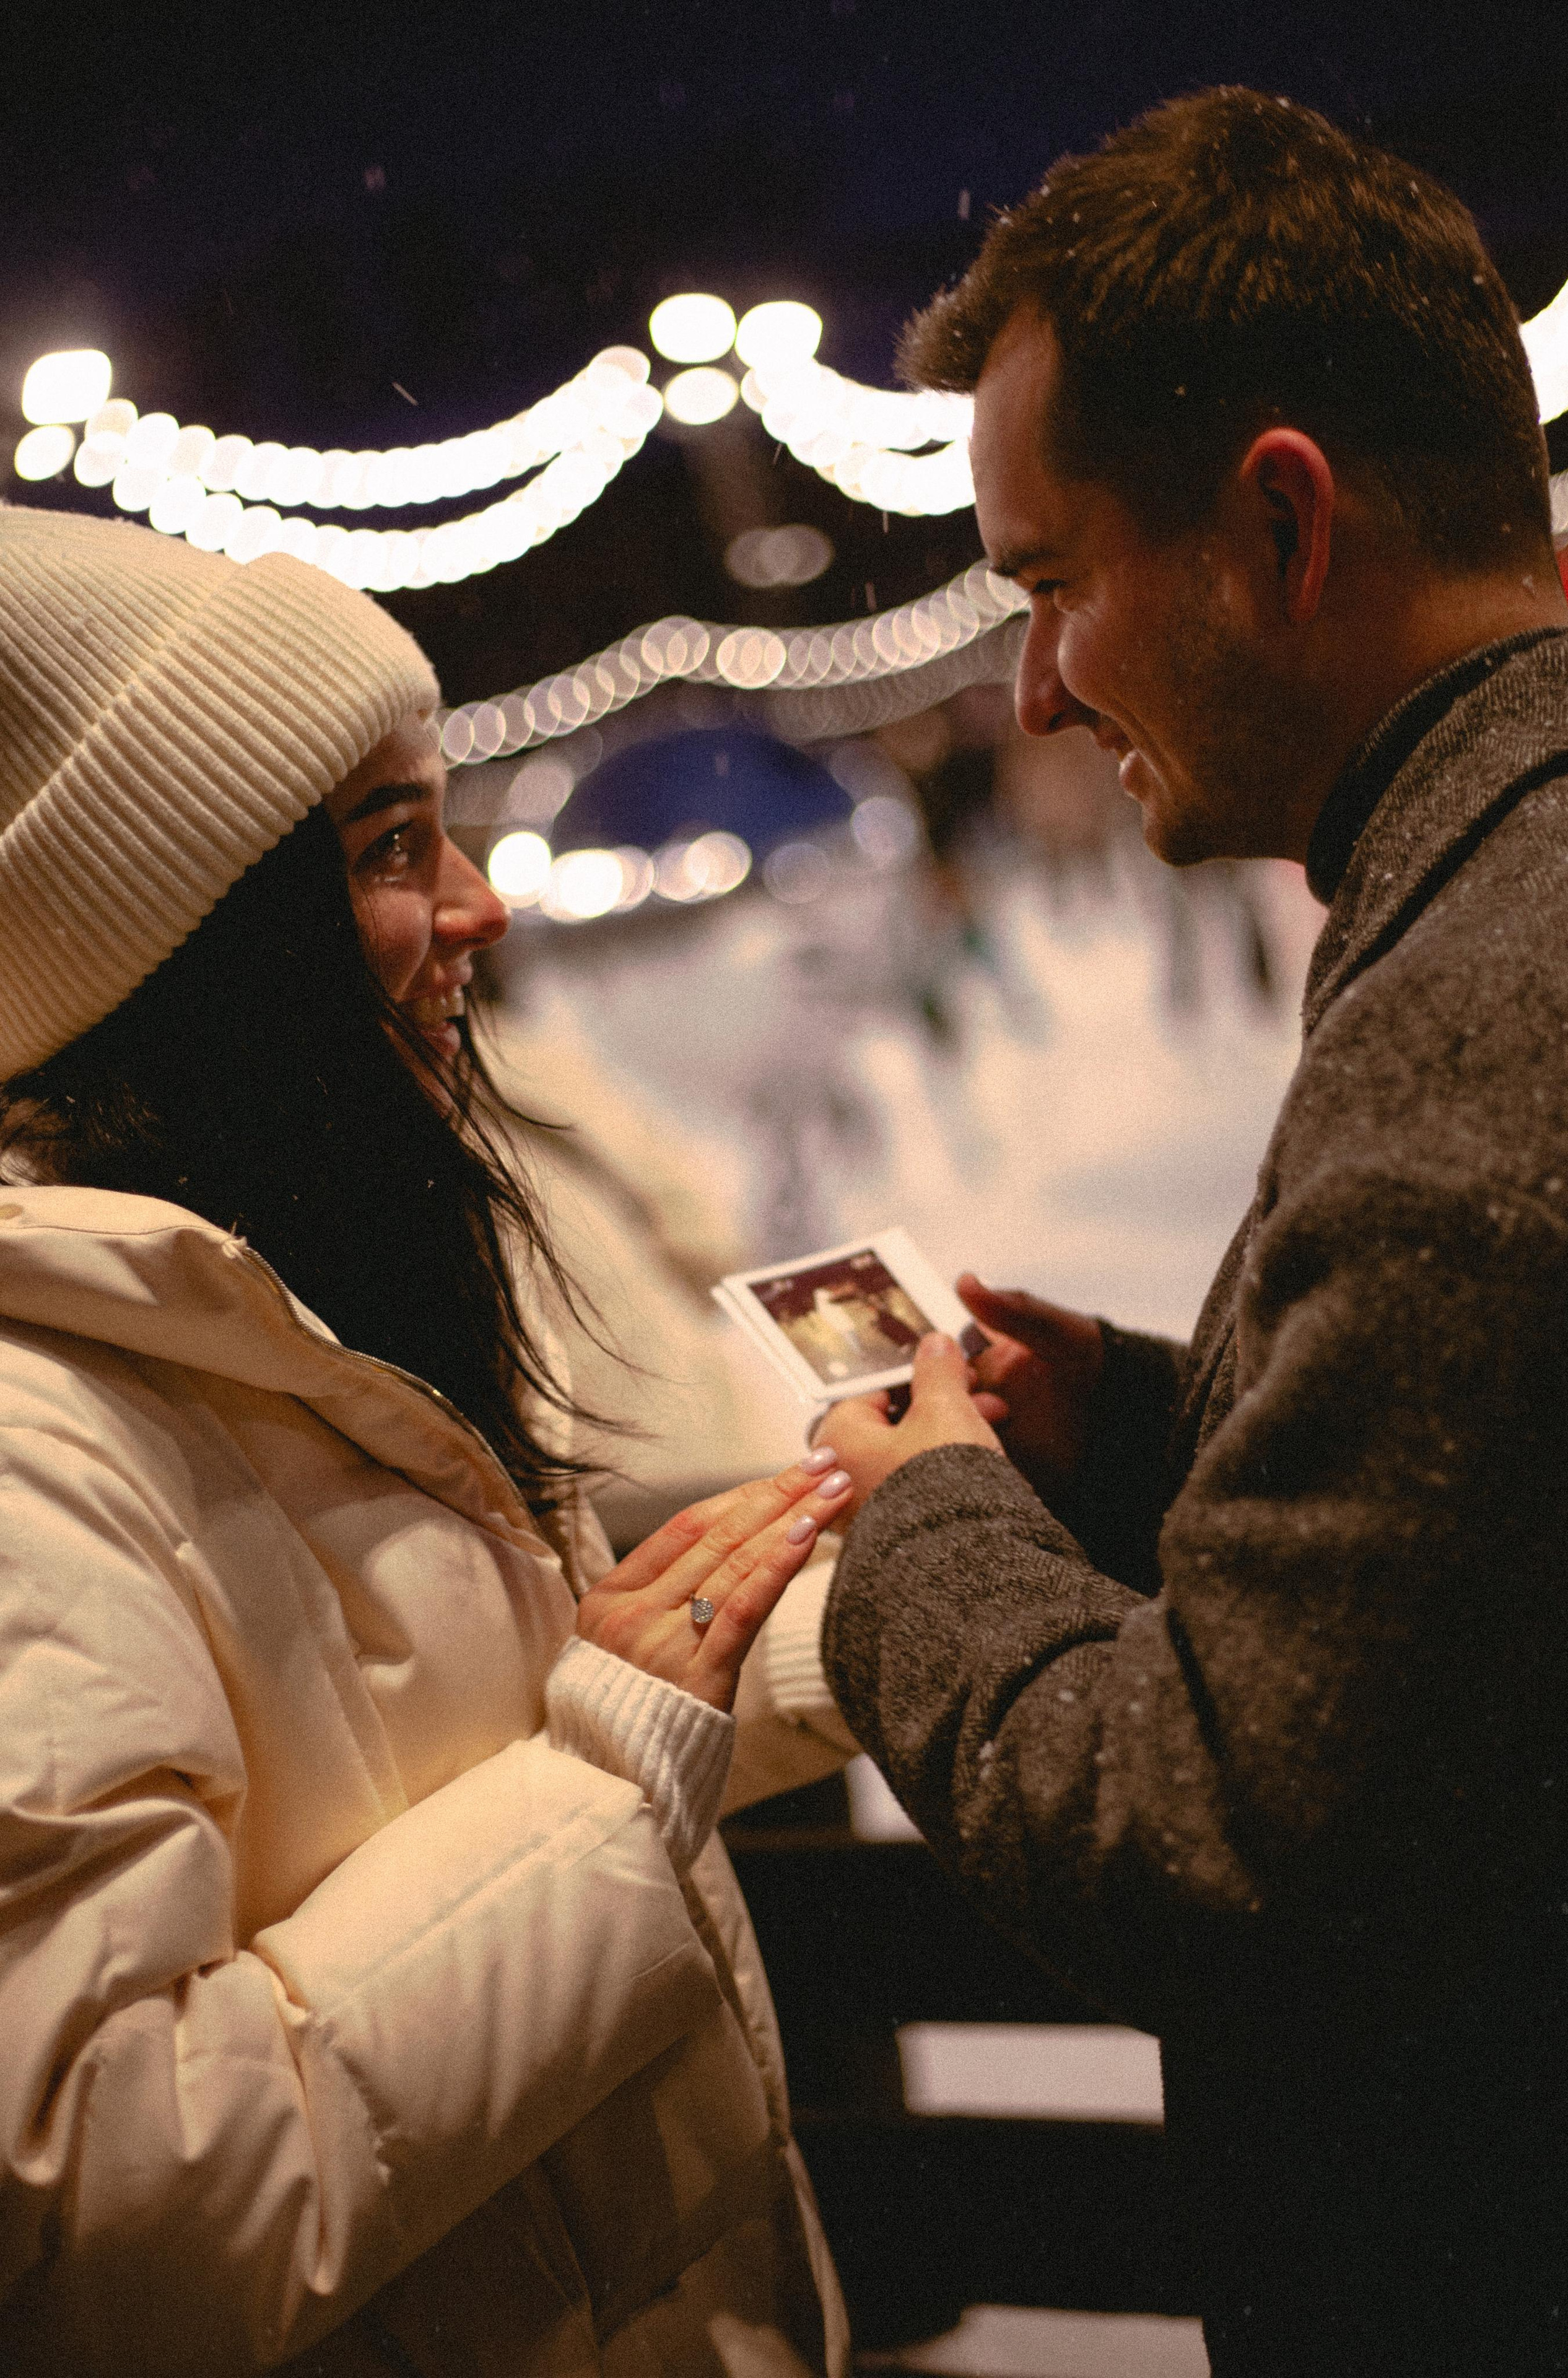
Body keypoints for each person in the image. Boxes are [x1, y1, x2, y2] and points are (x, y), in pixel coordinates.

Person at [814, 88, 1568, 2376]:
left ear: (1278, 519)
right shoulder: (1505, 897)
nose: (1040, 686)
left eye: (1053, 583)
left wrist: (932, 1523)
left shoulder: (1478, 1038)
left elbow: (1222, 1856)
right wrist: (1157, 1435)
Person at [0, 503, 861, 2376]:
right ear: (189, 943)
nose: (477, 906)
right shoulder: (31, 1450)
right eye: (393, 848)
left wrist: (880, 1607)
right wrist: (620, 1773)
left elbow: (437, 1768)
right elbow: (109, 2228)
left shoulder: (256, 1311)